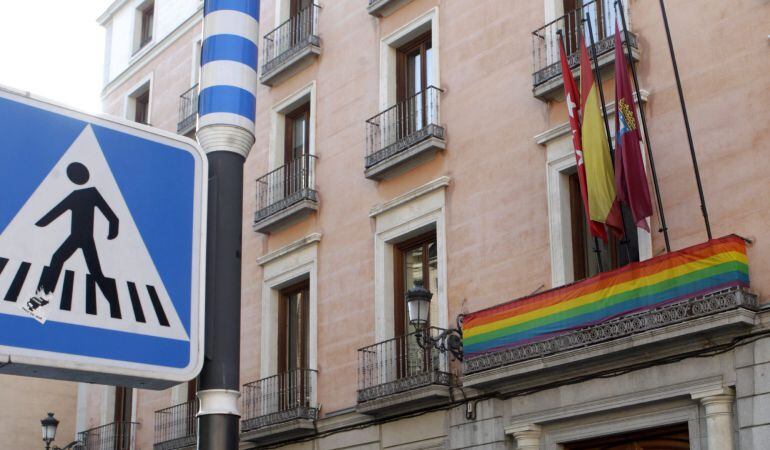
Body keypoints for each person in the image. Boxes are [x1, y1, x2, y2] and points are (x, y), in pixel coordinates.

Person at [33, 162, 122, 318]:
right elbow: (56, 212)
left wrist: (112, 231)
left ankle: (115, 306)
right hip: (74, 238)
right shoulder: (75, 195)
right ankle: (38, 305)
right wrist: (38, 223)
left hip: (86, 238)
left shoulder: (92, 193)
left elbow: (112, 216)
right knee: (56, 259)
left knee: (96, 273)